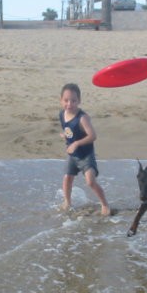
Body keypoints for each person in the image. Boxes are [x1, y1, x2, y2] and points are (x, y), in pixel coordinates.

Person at [59, 83, 111, 216]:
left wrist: (76, 143)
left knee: (90, 181)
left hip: (86, 154)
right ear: (61, 100)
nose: (69, 104)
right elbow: (69, 130)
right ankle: (67, 201)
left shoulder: (82, 118)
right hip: (73, 154)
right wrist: (66, 136)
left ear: (79, 101)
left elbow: (93, 136)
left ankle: (105, 204)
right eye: (66, 100)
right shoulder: (62, 114)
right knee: (67, 178)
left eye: (73, 100)